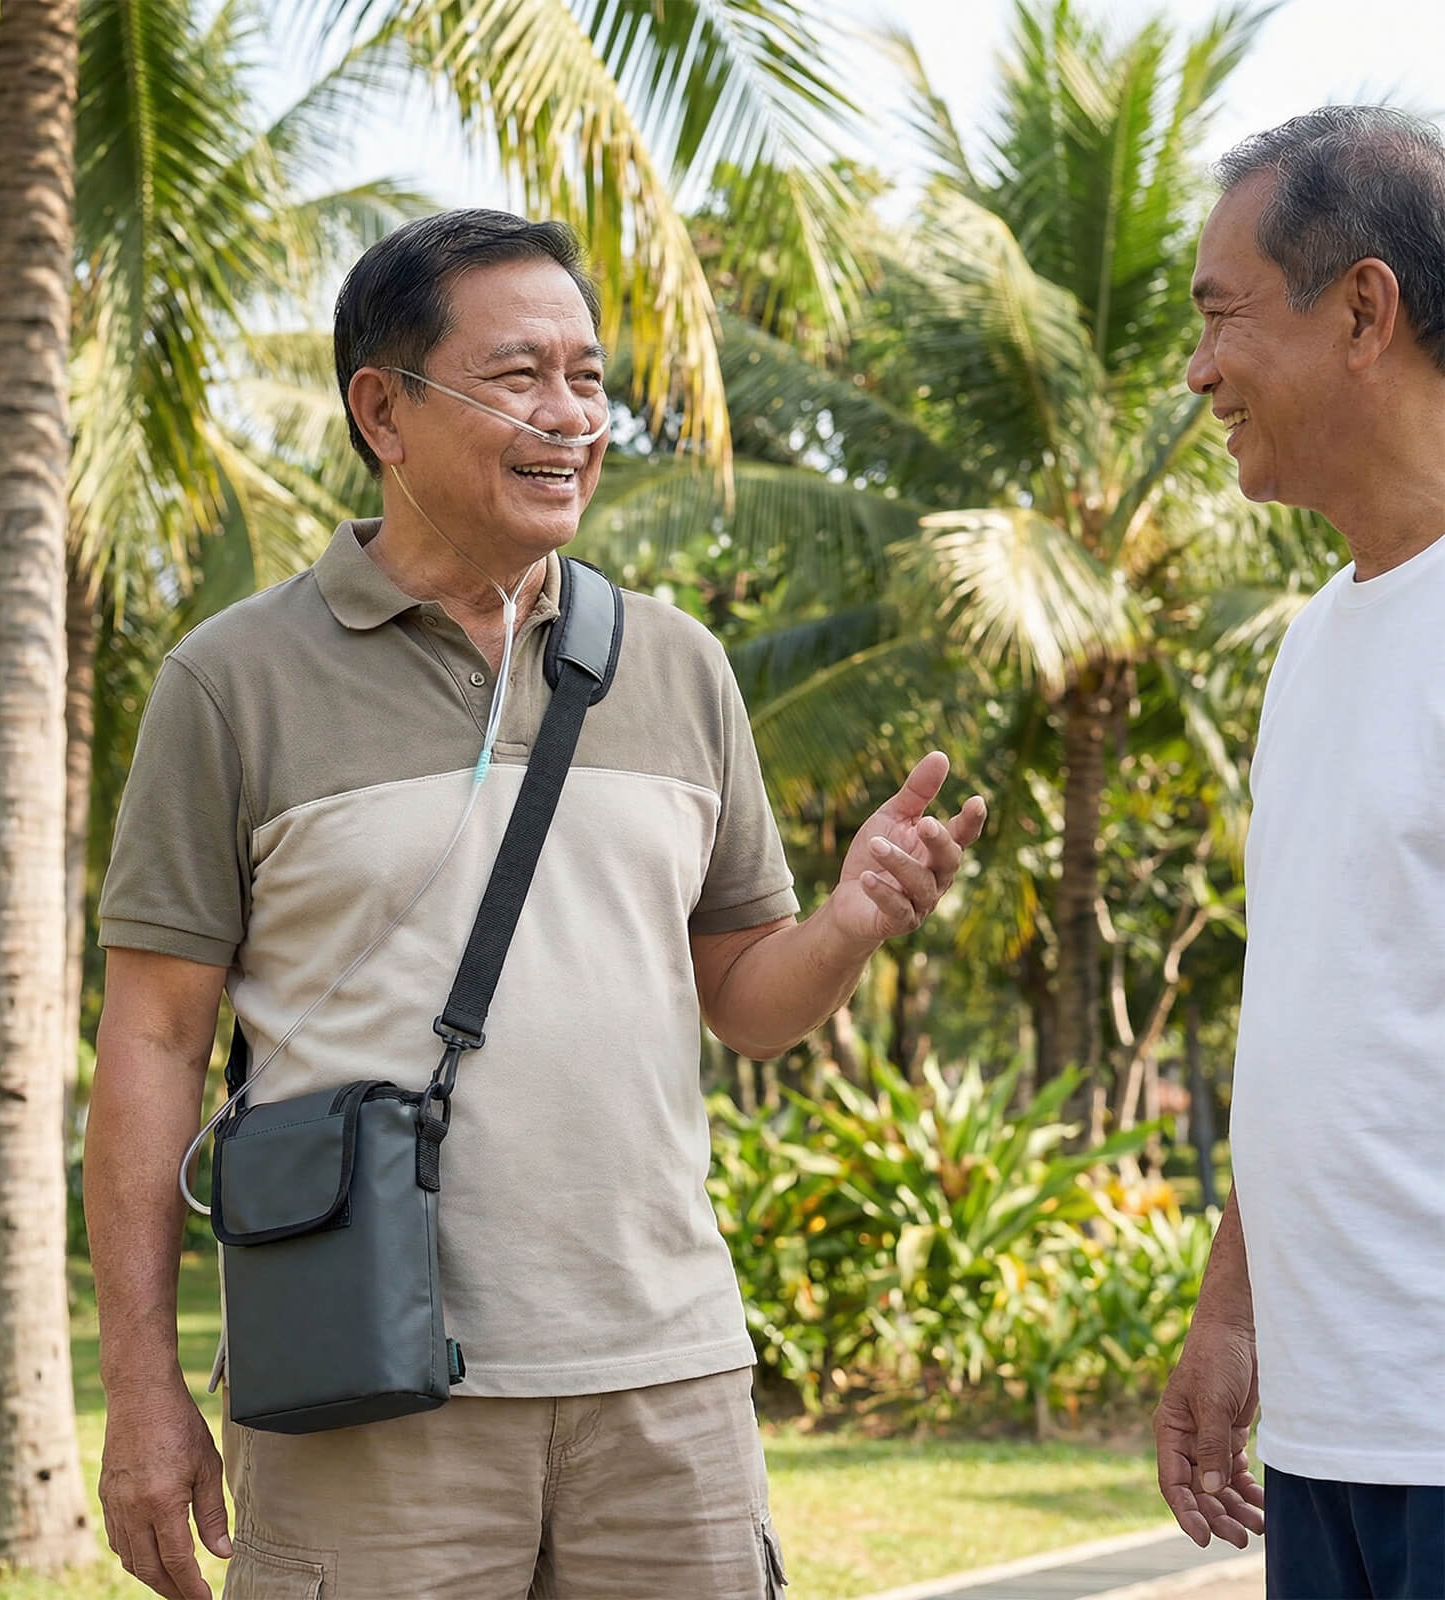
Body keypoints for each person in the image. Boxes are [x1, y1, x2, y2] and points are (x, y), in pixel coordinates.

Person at [84, 208, 987, 1600]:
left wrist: (851, 923)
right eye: (519, 377)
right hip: (360, 1386)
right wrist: (142, 1391)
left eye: (589, 378)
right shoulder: (233, 682)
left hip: (666, 1380)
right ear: (382, 411)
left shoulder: (678, 667)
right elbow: (149, 1044)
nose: (570, 415)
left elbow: (747, 1001)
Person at [1155, 108, 1445, 1599]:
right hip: (1335, 1437)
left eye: (1219, 317)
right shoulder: (1312, 651)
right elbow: (1312, 1018)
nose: (1199, 372)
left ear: (1364, 310)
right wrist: (1232, 1311)